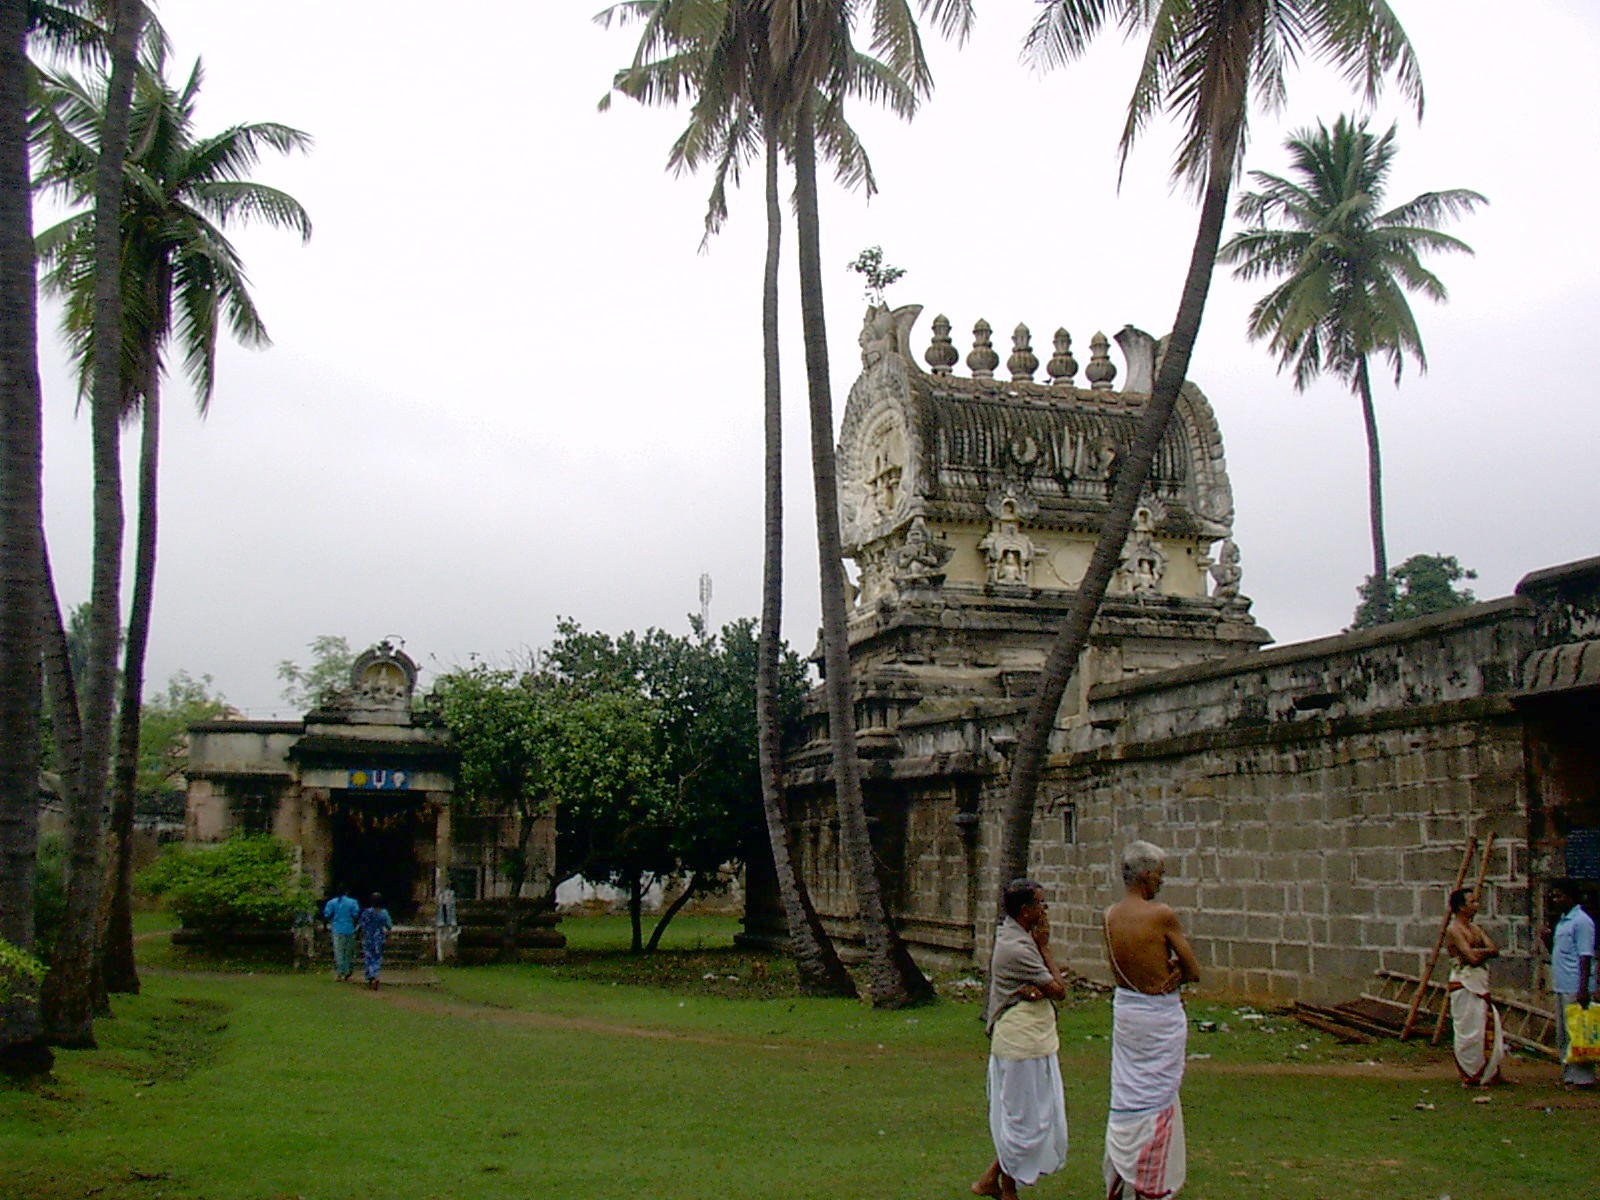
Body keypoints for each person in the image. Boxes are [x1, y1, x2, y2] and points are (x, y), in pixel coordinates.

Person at [1102, 842, 1201, 1200]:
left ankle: (1119, 1178)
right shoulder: (1161, 914)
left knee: (1127, 1094)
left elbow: (1118, 968)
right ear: (1145, 876)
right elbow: (1193, 969)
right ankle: (1152, 1183)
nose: (1162, 881)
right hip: (1158, 1015)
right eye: (1160, 874)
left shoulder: (1110, 914)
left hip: (1127, 1013)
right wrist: (1176, 972)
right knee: (1158, 1098)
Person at [972, 878, 1069, 1200]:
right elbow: (1059, 990)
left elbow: (1046, 988)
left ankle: (998, 1181)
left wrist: (1038, 985)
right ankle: (999, 1182)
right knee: (1024, 1120)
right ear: (1026, 911)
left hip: (1035, 1041)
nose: (1045, 909)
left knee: (1037, 1116)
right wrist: (1045, 948)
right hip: (1020, 1044)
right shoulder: (1019, 947)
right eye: (1041, 903)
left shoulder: (1018, 938)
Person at [1443, 887, 1506, 1086]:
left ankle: (1491, 1072)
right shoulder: (1454, 929)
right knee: (1468, 1031)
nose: (1476, 905)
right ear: (1462, 907)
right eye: (1472, 901)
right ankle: (1471, 1074)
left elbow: (1494, 950)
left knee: (1485, 1026)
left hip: (1479, 981)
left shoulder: (1476, 928)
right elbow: (1470, 957)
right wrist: (1478, 953)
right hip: (1464, 982)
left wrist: (1479, 953)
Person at [1546, 880, 1594, 1087]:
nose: (1555, 901)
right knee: (1564, 1034)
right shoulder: (1563, 921)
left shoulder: (1582, 921)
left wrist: (1583, 988)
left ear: (1570, 897)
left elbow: (1585, 956)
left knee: (1578, 1033)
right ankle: (1569, 1075)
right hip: (1561, 984)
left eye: (1559, 896)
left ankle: (1583, 1078)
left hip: (1575, 987)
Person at [321, 885, 360, 981]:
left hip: (337, 929)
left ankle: (339, 972)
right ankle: (347, 972)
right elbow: (355, 915)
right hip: (349, 929)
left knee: (339, 952)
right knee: (349, 952)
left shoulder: (332, 903)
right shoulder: (353, 902)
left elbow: (327, 914)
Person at [357, 892, 393, 991]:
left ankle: (371, 976)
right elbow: (389, 926)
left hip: (368, 937)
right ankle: (376, 975)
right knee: (377, 957)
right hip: (379, 937)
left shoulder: (366, 912)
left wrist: (359, 934)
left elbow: (361, 924)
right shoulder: (384, 913)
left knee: (368, 957)